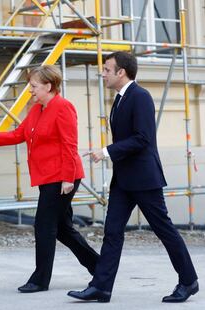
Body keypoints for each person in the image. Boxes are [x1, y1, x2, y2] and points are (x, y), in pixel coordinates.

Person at [67, 52, 198, 303]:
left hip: (144, 178)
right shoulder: (119, 99)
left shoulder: (140, 97)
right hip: (124, 180)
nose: (103, 73)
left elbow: (142, 138)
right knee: (112, 232)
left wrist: (106, 152)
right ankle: (101, 287)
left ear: (121, 72)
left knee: (164, 230)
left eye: (107, 69)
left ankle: (188, 280)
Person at [0, 65, 99, 293]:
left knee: (44, 226)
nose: (30, 90)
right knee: (62, 228)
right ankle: (100, 267)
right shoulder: (38, 109)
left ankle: (40, 280)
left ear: (48, 86)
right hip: (48, 176)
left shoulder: (63, 107)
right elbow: (20, 134)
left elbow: (70, 145)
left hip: (62, 178)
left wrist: (67, 178)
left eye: (34, 86)